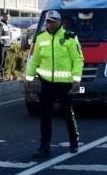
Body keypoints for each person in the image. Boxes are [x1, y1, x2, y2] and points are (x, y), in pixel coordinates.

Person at [26, 10, 84, 159]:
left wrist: (76, 80)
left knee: (67, 114)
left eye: (53, 21)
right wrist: (29, 78)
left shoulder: (69, 37)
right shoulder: (40, 38)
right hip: (46, 84)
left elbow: (78, 60)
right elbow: (35, 60)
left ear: (60, 22)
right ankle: (44, 148)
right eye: (48, 21)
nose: (50, 24)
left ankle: (74, 141)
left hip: (64, 84)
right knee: (45, 116)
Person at [0, 12, 12, 79]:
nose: (8, 18)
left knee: (4, 61)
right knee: (0, 60)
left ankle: (2, 74)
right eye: (6, 17)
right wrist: (1, 43)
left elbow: (9, 35)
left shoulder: (8, 25)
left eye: (9, 17)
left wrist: (9, 43)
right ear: (3, 17)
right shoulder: (0, 24)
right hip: (2, 46)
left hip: (7, 45)